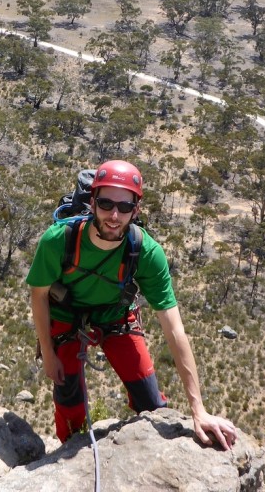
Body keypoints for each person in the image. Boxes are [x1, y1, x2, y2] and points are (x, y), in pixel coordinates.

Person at [27, 159, 238, 449]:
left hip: (115, 314)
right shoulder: (58, 240)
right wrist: (49, 354)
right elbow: (39, 296)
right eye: (105, 204)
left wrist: (198, 410)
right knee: (69, 399)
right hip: (66, 313)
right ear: (92, 202)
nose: (114, 215)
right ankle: (69, 452)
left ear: (135, 210)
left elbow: (175, 330)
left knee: (150, 401)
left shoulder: (146, 252)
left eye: (124, 207)